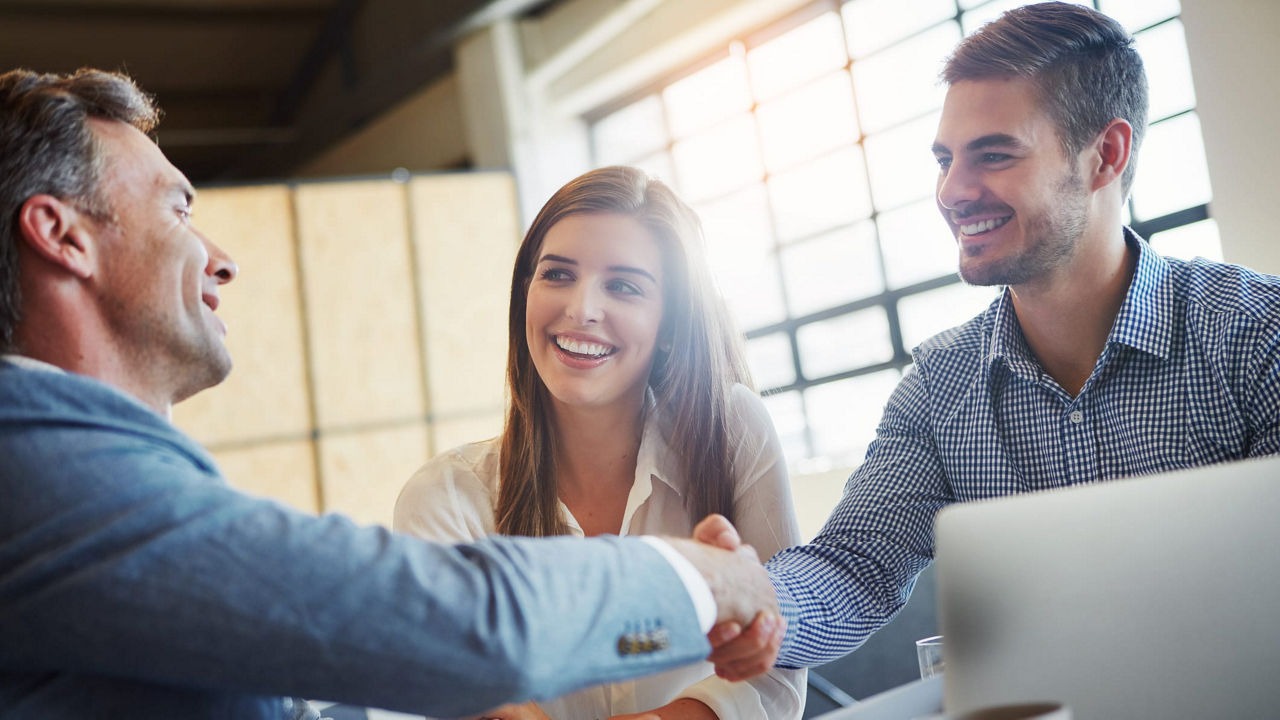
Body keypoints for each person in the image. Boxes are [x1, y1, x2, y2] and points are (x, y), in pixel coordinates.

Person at [0, 68, 785, 719]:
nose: (222, 260)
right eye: (178, 207)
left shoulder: (79, 465)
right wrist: (697, 580)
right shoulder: (35, 469)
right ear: (62, 235)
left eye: (627, 286)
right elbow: (454, 627)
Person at [705, 1, 1280, 679]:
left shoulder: (1255, 335)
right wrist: (756, 604)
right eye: (945, 160)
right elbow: (855, 565)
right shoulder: (938, 388)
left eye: (994, 154)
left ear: (1107, 154)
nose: (953, 191)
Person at [394, 166, 806, 720]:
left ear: (671, 325)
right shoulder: (444, 499)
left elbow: (777, 674)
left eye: (624, 286)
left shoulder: (732, 430)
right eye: (557, 275)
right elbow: (468, 698)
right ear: (525, 296)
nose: (582, 308)